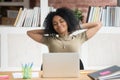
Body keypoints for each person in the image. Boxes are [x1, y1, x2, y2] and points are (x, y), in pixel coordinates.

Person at [27, 7, 102, 70]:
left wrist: (75, 27)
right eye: (55, 24)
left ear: (67, 22)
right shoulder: (50, 39)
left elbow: (98, 24)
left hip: (74, 70)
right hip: (53, 70)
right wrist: (50, 30)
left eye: (61, 21)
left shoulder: (79, 37)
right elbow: (30, 33)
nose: (59, 25)